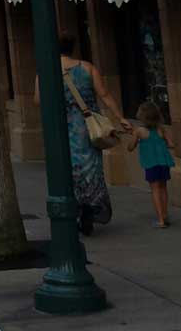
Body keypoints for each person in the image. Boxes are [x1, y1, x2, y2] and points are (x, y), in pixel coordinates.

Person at [37, 34, 131, 234]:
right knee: (91, 168)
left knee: (67, 169)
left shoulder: (46, 71)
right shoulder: (87, 68)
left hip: (62, 128)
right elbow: (104, 94)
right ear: (72, 48)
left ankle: (75, 207)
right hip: (86, 128)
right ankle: (90, 207)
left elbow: (38, 100)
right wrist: (120, 117)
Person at [128, 100, 175, 229]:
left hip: (151, 163)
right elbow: (171, 144)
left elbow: (130, 147)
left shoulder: (139, 131)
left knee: (155, 190)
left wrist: (134, 137)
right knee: (163, 188)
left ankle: (160, 219)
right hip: (164, 162)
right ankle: (165, 215)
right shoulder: (161, 129)